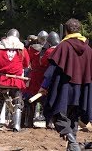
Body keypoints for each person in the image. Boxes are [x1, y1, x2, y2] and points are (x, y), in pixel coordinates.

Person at [39, 18, 92, 150]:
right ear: (79, 30)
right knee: (73, 117)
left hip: (64, 89)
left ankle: (73, 144)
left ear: (66, 31)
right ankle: (72, 146)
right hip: (81, 90)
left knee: (57, 115)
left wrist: (44, 86)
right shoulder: (88, 49)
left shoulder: (64, 46)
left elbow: (52, 69)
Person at [0, 28, 30, 132]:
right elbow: (26, 64)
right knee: (17, 100)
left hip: (2, 80)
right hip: (15, 80)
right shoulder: (22, 49)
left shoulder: (0, 47)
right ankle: (16, 125)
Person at [21, 30, 48, 127]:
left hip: (34, 77)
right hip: (44, 79)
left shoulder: (31, 49)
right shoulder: (49, 50)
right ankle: (49, 123)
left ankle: (27, 122)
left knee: (29, 100)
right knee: (45, 101)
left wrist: (31, 42)